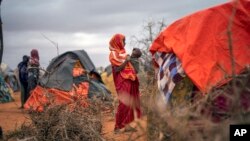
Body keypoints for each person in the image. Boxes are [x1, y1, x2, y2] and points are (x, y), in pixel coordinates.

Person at [109, 34, 141, 133]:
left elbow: (134, 68)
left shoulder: (123, 53)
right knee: (123, 103)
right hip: (122, 81)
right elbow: (117, 69)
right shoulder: (113, 54)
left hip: (130, 80)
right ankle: (118, 126)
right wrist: (126, 61)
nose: (125, 43)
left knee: (130, 103)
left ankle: (126, 125)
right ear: (117, 41)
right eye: (123, 41)